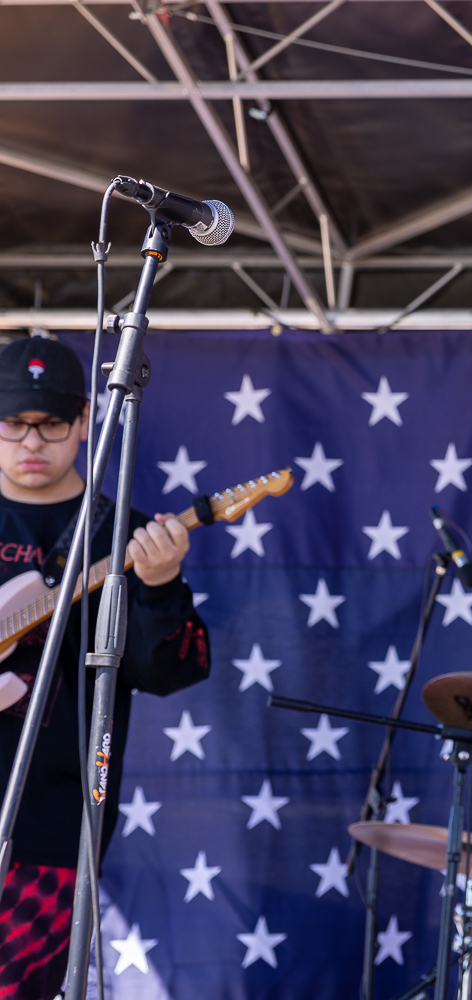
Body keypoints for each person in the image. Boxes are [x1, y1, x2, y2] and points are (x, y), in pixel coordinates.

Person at [0, 337, 210, 1000]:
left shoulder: (128, 534)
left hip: (49, 824)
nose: (32, 441)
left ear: (87, 421)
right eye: (13, 422)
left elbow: (173, 670)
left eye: (52, 422)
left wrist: (161, 582)